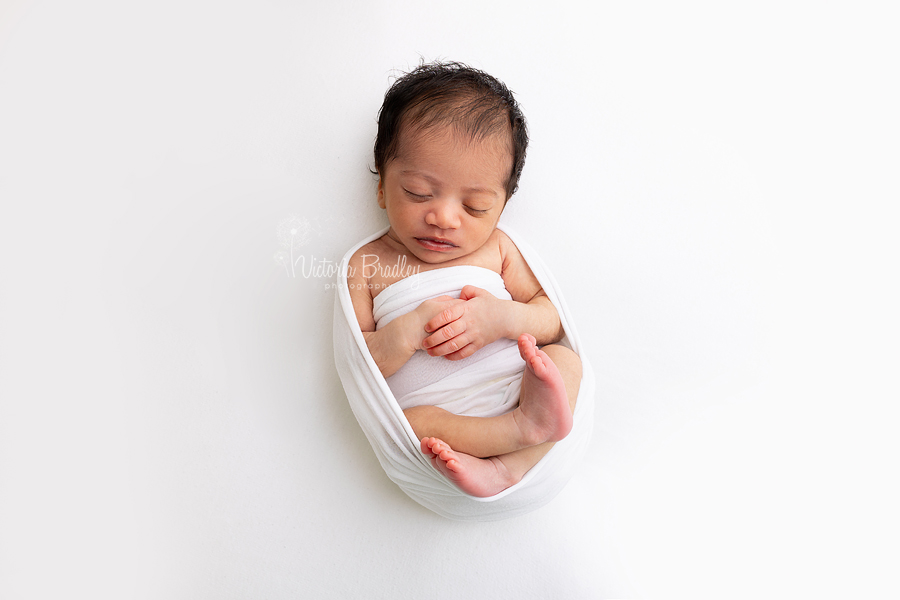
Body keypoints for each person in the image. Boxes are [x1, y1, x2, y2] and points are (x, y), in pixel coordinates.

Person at [347, 61, 582, 497]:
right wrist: (408, 330)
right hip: (443, 421)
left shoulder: (497, 249)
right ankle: (516, 440)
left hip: (521, 389)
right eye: (417, 193)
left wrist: (501, 319)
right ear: (381, 186)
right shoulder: (367, 264)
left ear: (502, 206)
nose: (443, 218)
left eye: (475, 206)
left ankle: (512, 462)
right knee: (411, 424)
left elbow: (552, 320)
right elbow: (361, 366)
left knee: (568, 362)